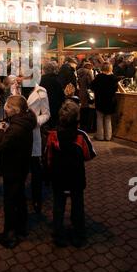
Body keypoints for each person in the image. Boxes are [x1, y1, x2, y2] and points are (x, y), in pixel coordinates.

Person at [46, 101, 96, 248]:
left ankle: (58, 235)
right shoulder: (81, 136)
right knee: (78, 206)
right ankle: (79, 236)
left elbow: (48, 156)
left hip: (58, 177)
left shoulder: (52, 135)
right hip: (76, 177)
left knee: (58, 206)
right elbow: (89, 154)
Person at [0, 95, 36, 248]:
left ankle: (9, 235)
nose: (5, 108)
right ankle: (22, 227)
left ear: (15, 110)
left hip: (13, 167)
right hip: (22, 165)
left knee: (10, 200)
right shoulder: (25, 121)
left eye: (8, 106)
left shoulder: (17, 127)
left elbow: (3, 144)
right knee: (19, 196)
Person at [27, 84, 50, 214]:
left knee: (36, 169)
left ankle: (37, 199)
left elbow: (46, 114)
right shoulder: (13, 87)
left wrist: (35, 121)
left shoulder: (41, 91)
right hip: (17, 134)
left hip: (33, 134)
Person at [90, 62, 119, 141]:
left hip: (100, 100)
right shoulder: (114, 78)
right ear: (110, 68)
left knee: (99, 118)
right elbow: (116, 89)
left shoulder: (98, 77)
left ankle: (100, 136)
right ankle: (108, 136)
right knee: (108, 119)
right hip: (110, 101)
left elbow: (92, 86)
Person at [40, 61, 65, 128]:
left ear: (44, 70)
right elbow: (61, 95)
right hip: (55, 107)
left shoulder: (41, 80)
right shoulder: (57, 79)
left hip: (43, 106)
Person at [77, 62, 95, 132]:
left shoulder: (78, 72)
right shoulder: (88, 72)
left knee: (82, 109)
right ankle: (87, 127)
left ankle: (81, 126)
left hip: (80, 92)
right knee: (87, 110)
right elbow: (91, 83)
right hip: (87, 93)